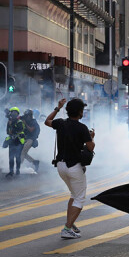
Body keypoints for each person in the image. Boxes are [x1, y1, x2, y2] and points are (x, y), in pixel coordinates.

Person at [44, 98, 95, 239]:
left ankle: (70, 224)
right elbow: (90, 147)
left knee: (73, 194)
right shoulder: (82, 128)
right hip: (74, 167)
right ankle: (67, 228)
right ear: (79, 112)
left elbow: (47, 121)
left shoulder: (60, 123)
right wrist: (91, 137)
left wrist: (57, 108)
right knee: (79, 198)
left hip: (60, 166)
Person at [4, 107, 25, 177]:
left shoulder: (20, 122)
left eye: (15, 112)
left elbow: (18, 130)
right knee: (11, 157)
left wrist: (11, 125)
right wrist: (10, 125)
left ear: (17, 114)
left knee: (18, 157)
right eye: (12, 112)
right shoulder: (9, 122)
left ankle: (17, 170)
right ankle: (11, 171)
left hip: (18, 141)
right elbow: (8, 131)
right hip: (12, 141)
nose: (13, 114)